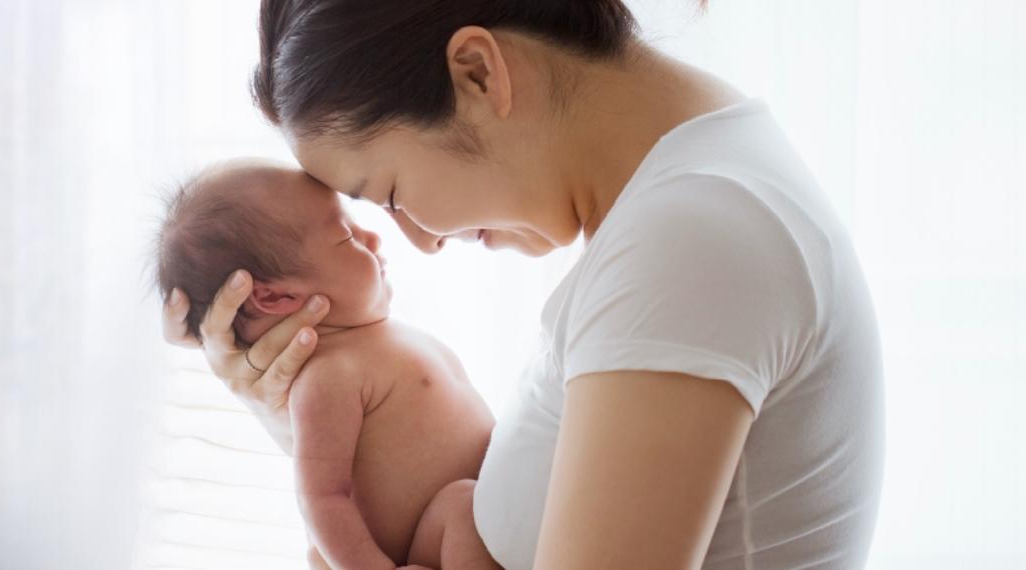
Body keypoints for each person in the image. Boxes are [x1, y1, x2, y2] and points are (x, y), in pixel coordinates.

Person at [163, 1, 884, 567]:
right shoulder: (690, 197)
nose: (423, 239)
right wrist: (291, 397)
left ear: (478, 72)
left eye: (387, 193)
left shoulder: (688, 241)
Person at [154, 158, 499, 569]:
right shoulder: (329, 376)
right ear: (275, 298)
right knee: (465, 509)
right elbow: (321, 497)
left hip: (480, 511)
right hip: (432, 543)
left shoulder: (383, 338)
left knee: (473, 505)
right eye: (346, 236)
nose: (372, 237)